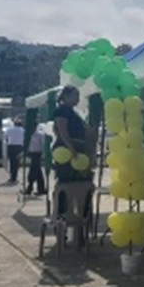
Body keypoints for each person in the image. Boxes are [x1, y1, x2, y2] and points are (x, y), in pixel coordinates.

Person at [52, 86, 93, 215]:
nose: (77, 99)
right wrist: (71, 148)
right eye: (75, 96)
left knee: (81, 179)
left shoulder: (73, 112)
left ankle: (79, 213)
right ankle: (62, 213)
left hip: (79, 148)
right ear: (66, 96)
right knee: (66, 180)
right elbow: (62, 131)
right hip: (67, 149)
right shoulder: (62, 111)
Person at [26, 126, 48, 196]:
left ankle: (30, 188)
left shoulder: (39, 134)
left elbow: (44, 144)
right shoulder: (28, 135)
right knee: (37, 172)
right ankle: (40, 189)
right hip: (32, 154)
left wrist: (44, 155)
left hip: (37, 154)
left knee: (33, 171)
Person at [5, 116, 25, 184]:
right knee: (17, 162)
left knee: (12, 161)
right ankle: (15, 175)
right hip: (19, 146)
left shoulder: (9, 129)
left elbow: (6, 137)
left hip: (11, 146)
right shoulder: (23, 130)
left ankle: (12, 176)